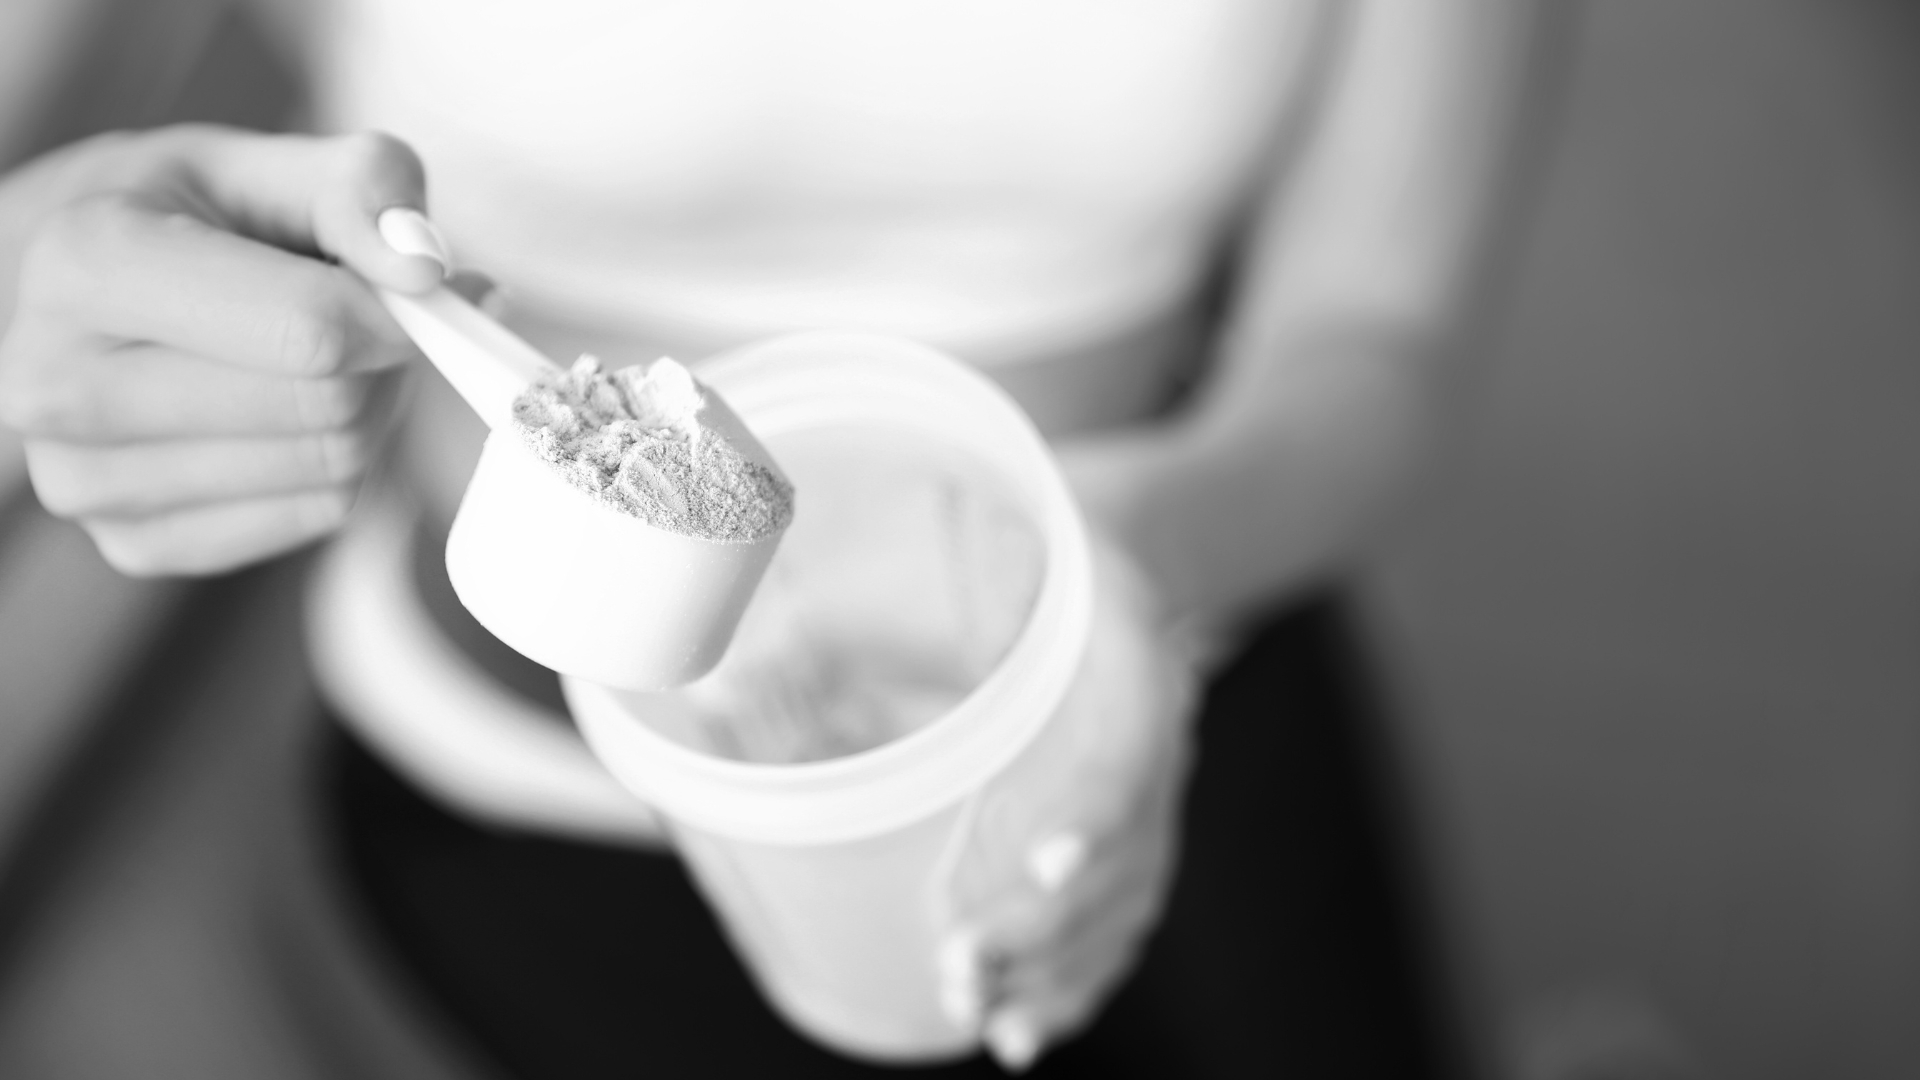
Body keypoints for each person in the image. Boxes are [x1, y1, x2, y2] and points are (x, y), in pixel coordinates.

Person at [0, 0, 1538, 1073]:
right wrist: (31, 279)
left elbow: (1376, 328)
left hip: (1162, 650)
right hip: (539, 802)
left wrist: (1129, 562)